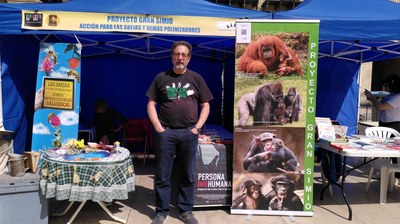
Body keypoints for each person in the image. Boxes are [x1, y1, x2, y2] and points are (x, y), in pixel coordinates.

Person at [146, 41, 213, 224]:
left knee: (188, 174)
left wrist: (197, 127)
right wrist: (159, 128)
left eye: (184, 55)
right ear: (171, 56)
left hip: (188, 133)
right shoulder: (161, 78)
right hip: (166, 133)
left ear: (189, 58)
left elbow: (205, 105)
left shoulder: (196, 78)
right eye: (177, 54)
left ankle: (185, 211)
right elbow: (151, 104)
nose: (180, 58)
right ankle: (162, 211)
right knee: (162, 174)